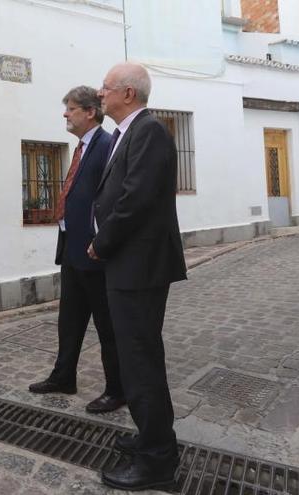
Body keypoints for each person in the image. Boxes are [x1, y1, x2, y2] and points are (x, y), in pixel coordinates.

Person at [89, 63, 187, 491]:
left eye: (105, 88)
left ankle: (157, 462)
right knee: (136, 358)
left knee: (140, 360)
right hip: (129, 265)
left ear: (127, 93)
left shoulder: (147, 131)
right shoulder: (130, 131)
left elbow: (135, 200)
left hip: (138, 266)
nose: (99, 93)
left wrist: (101, 241)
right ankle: (152, 438)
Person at [28, 86, 125, 415]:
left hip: (94, 254)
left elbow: (111, 200)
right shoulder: (83, 146)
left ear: (90, 112)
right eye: (66, 108)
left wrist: (102, 242)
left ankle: (117, 389)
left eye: (70, 109)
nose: (65, 114)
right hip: (72, 251)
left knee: (107, 324)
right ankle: (63, 376)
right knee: (68, 320)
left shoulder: (106, 145)